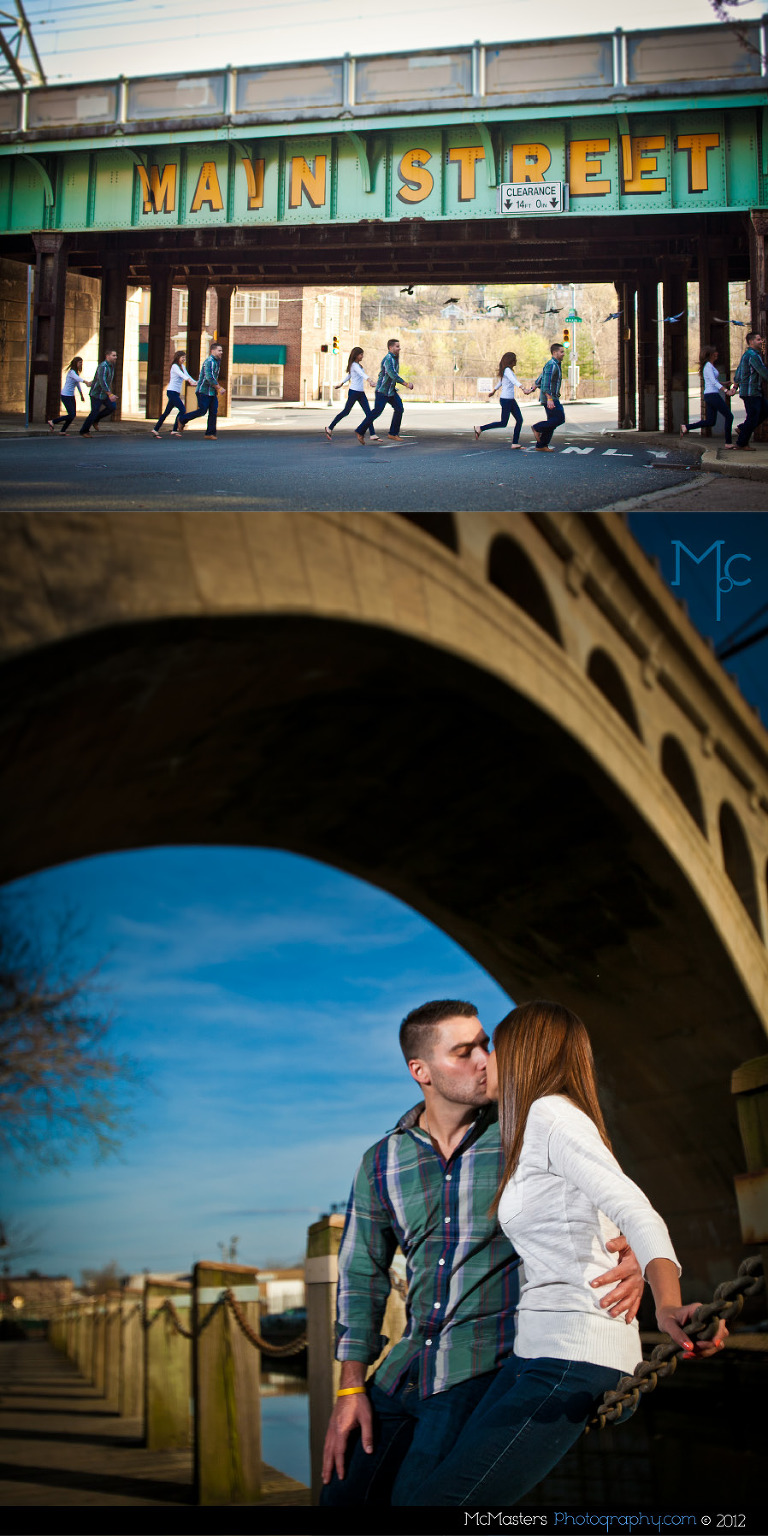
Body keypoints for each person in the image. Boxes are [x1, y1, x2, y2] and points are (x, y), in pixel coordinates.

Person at [398, 1000, 727, 1507]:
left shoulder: (551, 1115)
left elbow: (637, 1212)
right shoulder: (527, 1127)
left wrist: (667, 1306)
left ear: (523, 1055)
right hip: (533, 1355)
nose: (485, 1061)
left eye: (494, 1049)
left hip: (574, 1356)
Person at [320, 998, 644, 1508]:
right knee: (339, 1502)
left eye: (485, 1045)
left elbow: (611, 1205)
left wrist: (634, 1256)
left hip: (479, 1369)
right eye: (463, 1051)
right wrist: (350, 1389)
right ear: (421, 1071)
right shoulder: (382, 1162)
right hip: (402, 1370)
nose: (484, 1060)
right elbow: (361, 1275)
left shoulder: (528, 1131)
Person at [474, 351, 534, 448]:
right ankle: (480, 428)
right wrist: (523, 388)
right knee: (503, 423)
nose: (516, 361)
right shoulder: (507, 371)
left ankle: (515, 443)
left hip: (510, 400)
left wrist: (493, 391)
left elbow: (501, 382)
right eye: (515, 359)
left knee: (519, 420)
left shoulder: (507, 371)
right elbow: (514, 381)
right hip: (506, 400)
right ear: (511, 361)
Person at [680, 346, 734, 447]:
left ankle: (686, 427)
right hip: (712, 395)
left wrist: (724, 383)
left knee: (710, 421)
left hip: (710, 395)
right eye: (715, 352)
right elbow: (713, 382)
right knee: (729, 416)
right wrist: (726, 390)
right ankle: (728, 442)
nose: (717, 354)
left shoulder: (710, 366)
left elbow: (712, 380)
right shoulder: (708, 366)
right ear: (710, 355)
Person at [362, 339, 414, 444]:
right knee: (377, 412)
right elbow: (393, 374)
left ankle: (393, 433)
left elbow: (386, 375)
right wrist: (406, 384)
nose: (399, 348)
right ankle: (360, 430)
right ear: (390, 348)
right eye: (397, 346)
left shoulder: (395, 358)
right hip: (382, 391)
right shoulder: (388, 359)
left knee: (399, 408)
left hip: (391, 391)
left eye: (399, 346)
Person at [325, 348, 380, 444]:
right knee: (346, 411)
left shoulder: (358, 365)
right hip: (354, 392)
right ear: (356, 355)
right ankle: (330, 428)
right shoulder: (354, 365)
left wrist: (341, 383)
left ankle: (372, 434)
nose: (362, 356)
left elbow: (349, 376)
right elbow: (361, 374)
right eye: (361, 354)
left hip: (361, 393)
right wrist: (370, 381)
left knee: (369, 413)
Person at [179, 343, 225, 439]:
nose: (221, 352)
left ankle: (210, 433)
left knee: (213, 412)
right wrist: (219, 388)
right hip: (203, 391)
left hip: (212, 392)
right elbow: (209, 377)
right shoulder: (209, 361)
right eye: (219, 350)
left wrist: (216, 389)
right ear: (212, 351)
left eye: (221, 350)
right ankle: (182, 419)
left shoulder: (217, 361)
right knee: (202, 411)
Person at [734, 332, 768, 450]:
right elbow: (763, 372)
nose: (761, 341)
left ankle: (743, 429)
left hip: (752, 392)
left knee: (765, 411)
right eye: (758, 339)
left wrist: (735, 386)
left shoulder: (746, 355)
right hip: (751, 392)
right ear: (751, 342)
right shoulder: (753, 355)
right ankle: (741, 443)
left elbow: (738, 372)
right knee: (752, 418)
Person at [152, 350, 198, 438]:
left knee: (166, 412)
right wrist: (189, 381)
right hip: (171, 391)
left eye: (185, 357)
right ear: (178, 357)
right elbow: (182, 375)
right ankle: (174, 429)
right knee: (182, 409)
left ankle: (156, 429)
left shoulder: (182, 367)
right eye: (182, 357)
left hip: (176, 392)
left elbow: (187, 375)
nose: (184, 359)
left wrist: (195, 382)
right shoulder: (174, 366)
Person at [532, 343, 566, 452]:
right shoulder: (552, 364)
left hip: (552, 397)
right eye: (561, 352)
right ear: (555, 352)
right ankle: (537, 427)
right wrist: (549, 398)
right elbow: (546, 382)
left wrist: (533, 387)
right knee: (559, 418)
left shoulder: (555, 364)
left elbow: (542, 377)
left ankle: (541, 445)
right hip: (550, 398)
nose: (563, 354)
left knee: (552, 422)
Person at [79, 350, 118, 437]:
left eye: (116, 355)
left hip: (104, 394)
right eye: (113, 355)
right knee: (94, 412)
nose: (115, 357)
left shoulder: (111, 366)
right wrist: (110, 394)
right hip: (96, 394)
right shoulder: (103, 366)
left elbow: (101, 379)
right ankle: (84, 431)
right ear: (107, 356)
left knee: (112, 407)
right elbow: (102, 381)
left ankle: (96, 420)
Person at [48, 356, 89, 435]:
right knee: (71, 414)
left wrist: (81, 394)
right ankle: (53, 421)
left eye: (81, 363)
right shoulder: (71, 372)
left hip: (71, 396)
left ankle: (63, 430)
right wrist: (86, 382)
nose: (81, 364)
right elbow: (78, 379)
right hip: (65, 395)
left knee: (73, 415)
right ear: (75, 363)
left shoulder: (76, 373)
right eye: (80, 362)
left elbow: (77, 384)